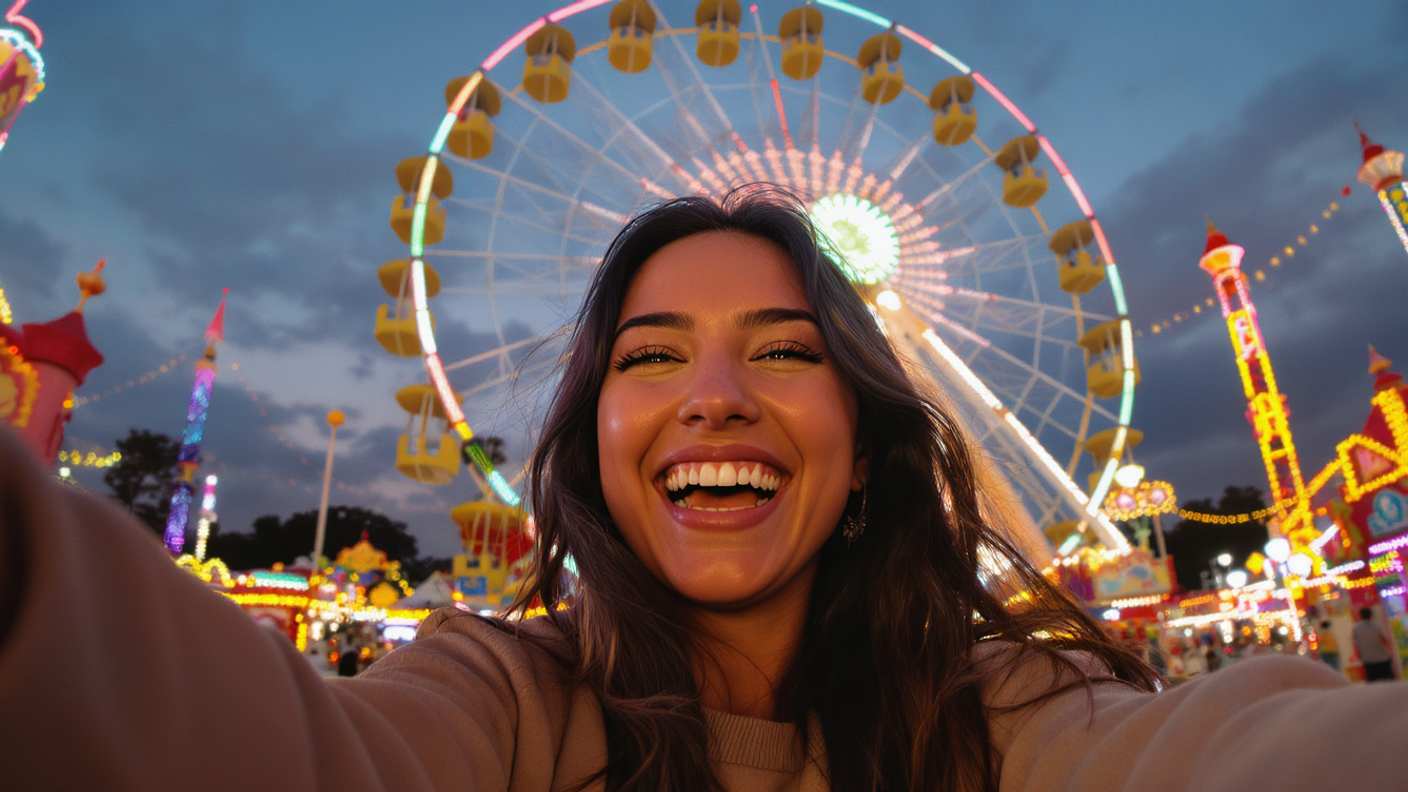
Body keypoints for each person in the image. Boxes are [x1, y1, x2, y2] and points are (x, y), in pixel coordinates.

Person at [1, 187, 1407, 791]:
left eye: (786, 351)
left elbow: (1217, 756)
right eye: (651, 354)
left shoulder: (997, 721)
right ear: (596, 439)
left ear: (865, 435)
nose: (711, 394)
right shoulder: (505, 704)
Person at [1352, 606, 1397, 682]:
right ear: (1371, 615)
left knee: (1374, 683)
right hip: (1383, 658)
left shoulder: (1356, 629)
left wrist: (1359, 656)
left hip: (1368, 660)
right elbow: (1385, 641)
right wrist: (1390, 652)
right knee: (1389, 682)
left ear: (1360, 615)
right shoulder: (1377, 626)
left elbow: (1356, 646)